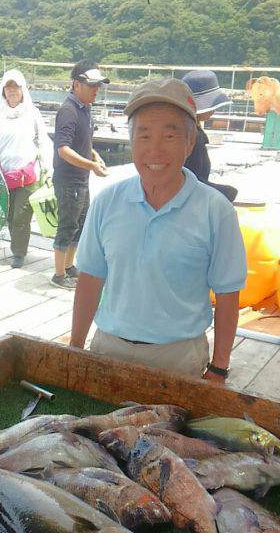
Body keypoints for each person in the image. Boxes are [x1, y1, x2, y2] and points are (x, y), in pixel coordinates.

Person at [71, 77, 247, 384]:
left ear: (190, 142)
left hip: (179, 357)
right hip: (109, 347)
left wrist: (219, 367)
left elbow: (228, 293)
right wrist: (74, 348)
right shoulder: (106, 201)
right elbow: (90, 278)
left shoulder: (216, 210)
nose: (154, 150)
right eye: (144, 135)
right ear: (131, 142)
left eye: (170, 135)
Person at [0, 69, 53, 268]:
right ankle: (18, 246)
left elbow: (44, 141)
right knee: (9, 215)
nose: (12, 91)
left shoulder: (32, 113)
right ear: (3, 91)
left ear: (23, 90)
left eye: (16, 87)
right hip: (5, 176)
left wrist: (49, 167)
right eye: (8, 87)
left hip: (28, 175)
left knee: (21, 216)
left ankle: (19, 253)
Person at [50, 60, 109, 290]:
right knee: (67, 225)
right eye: (92, 85)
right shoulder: (68, 110)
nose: (97, 90)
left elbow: (82, 142)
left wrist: (94, 156)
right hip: (69, 180)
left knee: (80, 225)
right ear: (76, 85)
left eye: (99, 86)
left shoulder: (85, 108)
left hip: (81, 178)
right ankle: (58, 275)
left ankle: (68, 265)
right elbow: (63, 149)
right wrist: (91, 166)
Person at [182, 69, 237, 203]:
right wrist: (227, 193)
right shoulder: (192, 136)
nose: (214, 109)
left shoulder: (189, 130)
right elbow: (189, 180)